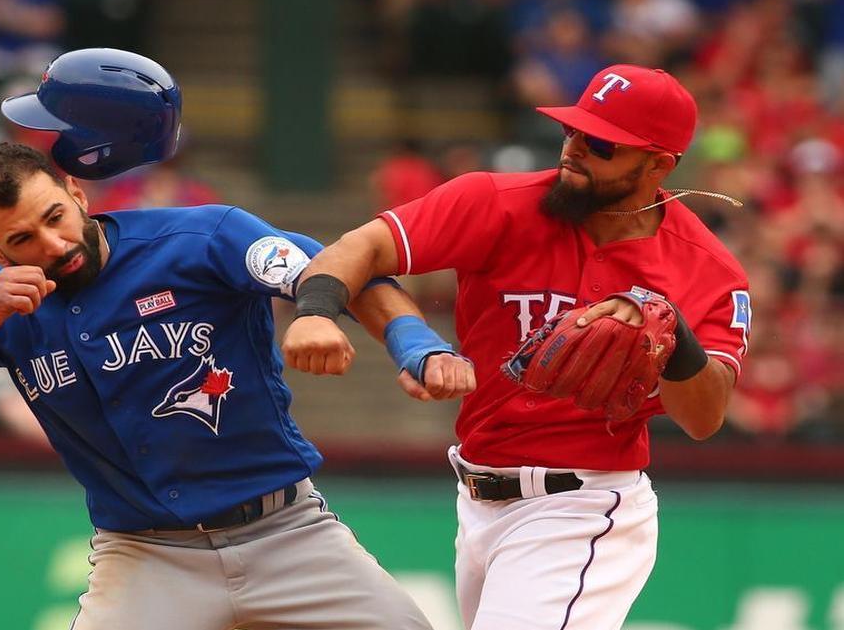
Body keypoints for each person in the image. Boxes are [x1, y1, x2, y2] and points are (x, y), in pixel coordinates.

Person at [0, 49, 472, 630]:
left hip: (289, 533)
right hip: (146, 555)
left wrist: (415, 343)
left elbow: (344, 269)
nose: (52, 246)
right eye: (21, 241)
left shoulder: (200, 239)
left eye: (54, 217)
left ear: (77, 193)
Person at [282, 64, 751, 630]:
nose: (574, 150)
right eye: (571, 130)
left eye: (601, 144)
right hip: (478, 497)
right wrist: (317, 313)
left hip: (585, 505)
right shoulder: (495, 202)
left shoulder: (707, 270)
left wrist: (673, 333)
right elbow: (362, 247)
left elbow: (704, 417)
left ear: (660, 164)